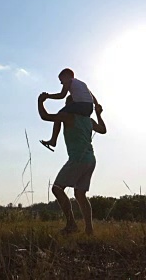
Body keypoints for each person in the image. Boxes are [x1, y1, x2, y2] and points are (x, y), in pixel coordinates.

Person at [37, 93, 107, 235]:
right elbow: (103, 130)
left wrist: (40, 101)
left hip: (77, 159)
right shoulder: (88, 120)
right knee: (80, 195)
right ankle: (89, 230)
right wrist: (99, 114)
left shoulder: (68, 116)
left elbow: (45, 116)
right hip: (90, 160)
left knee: (57, 189)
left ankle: (71, 224)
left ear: (71, 105)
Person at [40, 68, 97, 151]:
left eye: (61, 80)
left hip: (81, 105)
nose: (61, 83)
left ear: (66, 76)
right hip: (89, 108)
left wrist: (48, 96)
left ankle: (53, 140)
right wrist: (97, 105)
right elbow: (92, 96)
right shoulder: (82, 83)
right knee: (71, 118)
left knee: (59, 115)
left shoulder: (69, 81)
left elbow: (62, 95)